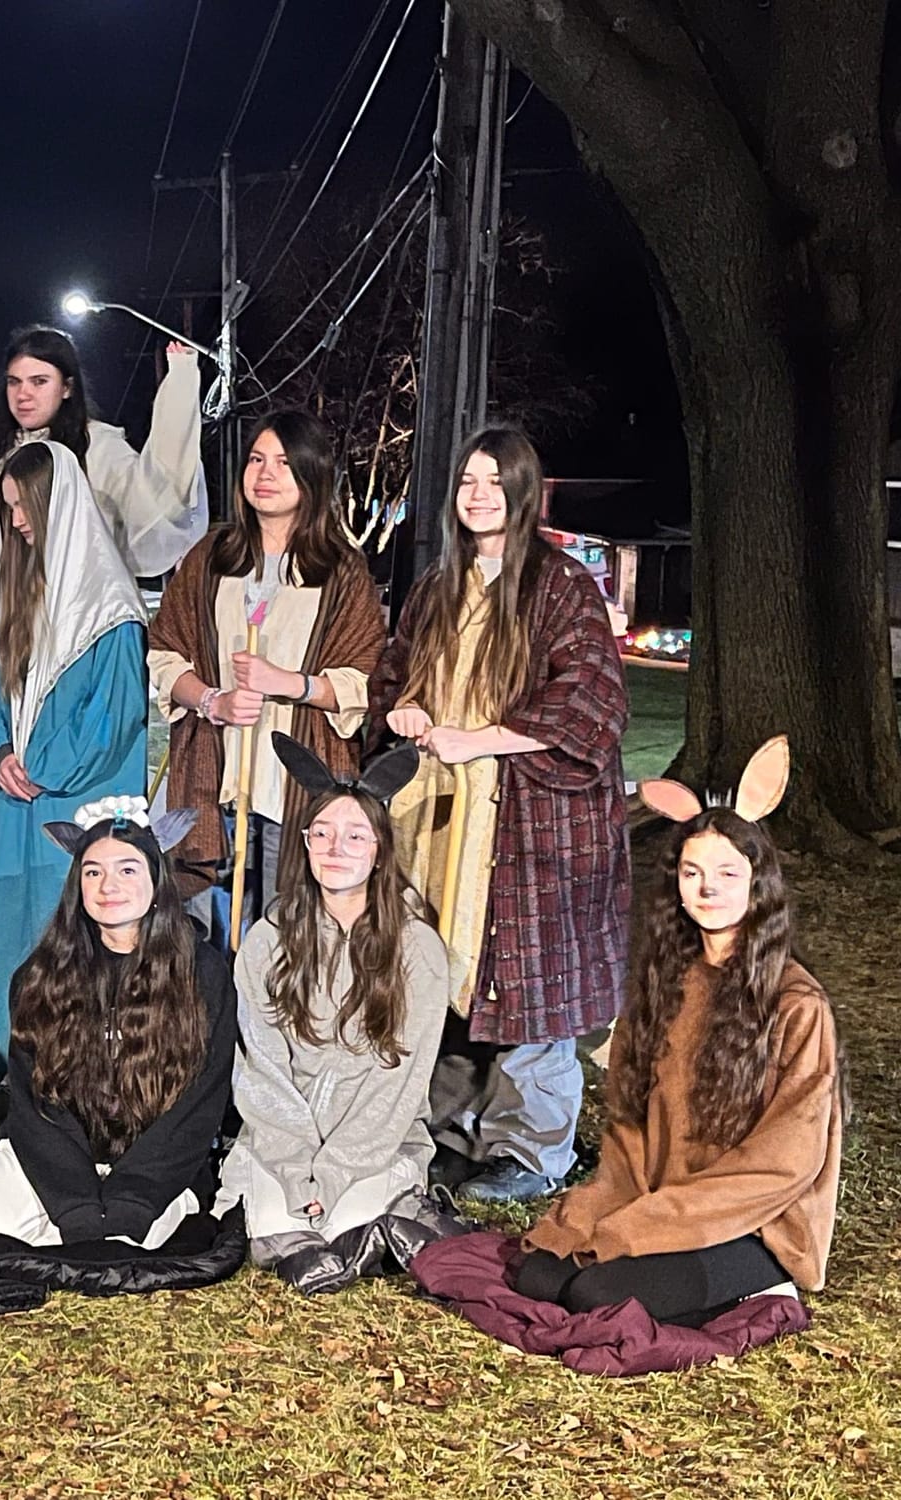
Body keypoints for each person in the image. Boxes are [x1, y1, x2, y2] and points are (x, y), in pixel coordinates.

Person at [368, 428, 630, 1203]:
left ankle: (532, 1149)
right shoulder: (437, 586)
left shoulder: (562, 585)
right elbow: (395, 672)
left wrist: (483, 739)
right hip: (441, 818)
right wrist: (409, 710)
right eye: (467, 482)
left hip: (531, 821)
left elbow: (589, 697)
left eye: (495, 481)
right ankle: (452, 1133)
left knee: (527, 986)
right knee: (442, 978)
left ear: (524, 491)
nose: (479, 495)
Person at [518, 738, 844, 1327]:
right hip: (661, 1200)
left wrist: (659, 1219)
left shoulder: (797, 1003)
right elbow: (631, 1120)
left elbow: (785, 1160)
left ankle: (766, 1286)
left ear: (757, 882)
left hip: (751, 1222)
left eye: (726, 872)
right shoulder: (666, 982)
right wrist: (617, 1205)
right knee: (541, 1276)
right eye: (693, 872)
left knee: (597, 1298)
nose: (708, 888)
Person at [0, 326, 207, 841]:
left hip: (65, 630)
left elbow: (160, 496)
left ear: (68, 386)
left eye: (39, 380)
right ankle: (2, 839)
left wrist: (178, 389)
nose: (24, 394)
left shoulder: (97, 450)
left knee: (56, 755)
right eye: (15, 382)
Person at [0, 800, 235, 1248]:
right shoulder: (41, 977)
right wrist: (74, 1202)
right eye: (93, 872)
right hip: (54, 1154)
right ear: (77, 884)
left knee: (129, 1243)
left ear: (156, 881)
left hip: (155, 1165)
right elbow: (38, 1103)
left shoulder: (201, 974)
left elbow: (198, 1104)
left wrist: (135, 1200)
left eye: (127, 870)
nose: (109, 885)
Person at [214, 734, 466, 1295]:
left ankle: (384, 1214)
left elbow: (400, 1083)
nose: (336, 848)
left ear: (379, 849)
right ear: (303, 844)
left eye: (355, 836)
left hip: (372, 1139)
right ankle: (312, 1225)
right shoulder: (268, 941)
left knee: (344, 1214)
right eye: (322, 833)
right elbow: (261, 1071)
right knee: (277, 1218)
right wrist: (296, 1162)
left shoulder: (416, 948)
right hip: (286, 1137)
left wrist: (332, 1171)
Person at [0, 441, 148, 1082]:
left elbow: (111, 723)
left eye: (24, 506)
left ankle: (69, 1084)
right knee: (8, 938)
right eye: (7, 508)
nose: (16, 522)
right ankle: (3, 1076)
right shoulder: (14, 594)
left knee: (70, 942)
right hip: (16, 805)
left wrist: (41, 767)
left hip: (75, 806)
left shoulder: (110, 611)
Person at [149, 410, 386, 939]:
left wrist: (290, 683)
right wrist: (213, 700)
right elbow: (166, 654)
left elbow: (363, 680)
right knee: (208, 929)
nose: (265, 474)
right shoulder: (211, 558)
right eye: (257, 460)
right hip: (215, 778)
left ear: (311, 475)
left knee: (289, 926)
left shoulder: (341, 572)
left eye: (283, 462)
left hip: (298, 786)